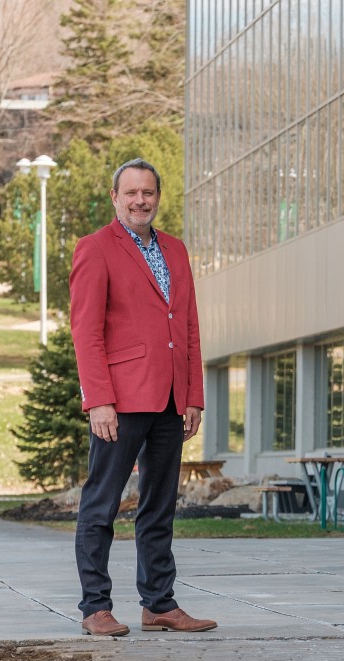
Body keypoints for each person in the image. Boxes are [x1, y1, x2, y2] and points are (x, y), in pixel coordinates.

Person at [70, 158, 216, 636]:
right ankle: (95, 607)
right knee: (102, 504)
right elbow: (86, 331)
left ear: (157, 197)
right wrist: (98, 400)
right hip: (120, 400)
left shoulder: (175, 250)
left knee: (159, 505)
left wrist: (193, 394)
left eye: (148, 193)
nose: (140, 201)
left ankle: (159, 603)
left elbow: (188, 326)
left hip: (171, 400)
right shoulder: (95, 248)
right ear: (115, 198)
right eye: (131, 193)